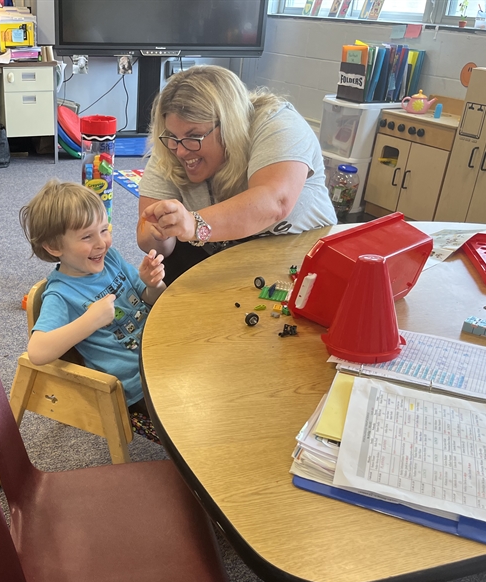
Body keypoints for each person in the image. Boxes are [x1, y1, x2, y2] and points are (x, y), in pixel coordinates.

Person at [137, 65, 336, 283]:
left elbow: (275, 202)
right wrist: (160, 232)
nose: (181, 151)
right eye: (173, 137)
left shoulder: (279, 124)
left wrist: (194, 224)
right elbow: (155, 244)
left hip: (302, 259)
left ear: (228, 124)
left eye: (194, 136)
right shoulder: (174, 144)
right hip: (226, 262)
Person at [20, 180, 165, 415]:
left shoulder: (111, 259)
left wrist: (153, 284)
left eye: (104, 230)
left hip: (161, 352)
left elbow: (152, 300)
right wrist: (92, 320)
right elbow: (37, 352)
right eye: (87, 237)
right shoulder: (60, 294)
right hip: (139, 386)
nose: (102, 243)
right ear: (55, 246)